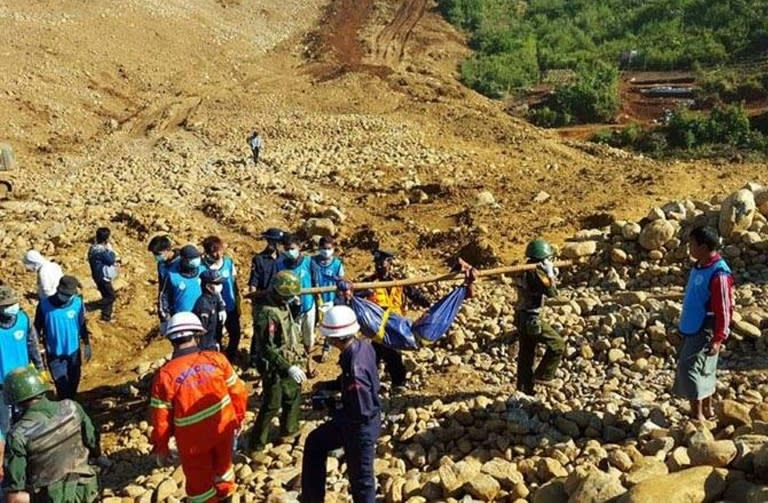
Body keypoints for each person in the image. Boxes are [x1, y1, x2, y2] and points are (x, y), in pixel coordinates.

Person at [150, 312, 247, 503]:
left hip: (192, 442)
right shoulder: (217, 360)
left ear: (171, 339)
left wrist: (161, 448)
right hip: (223, 430)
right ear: (198, 335)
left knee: (199, 484)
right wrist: (238, 418)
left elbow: (161, 420)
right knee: (224, 470)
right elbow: (239, 392)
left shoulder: (165, 376)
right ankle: (226, 496)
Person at [302, 305, 380, 503]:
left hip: (359, 427)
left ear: (334, 337)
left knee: (362, 482)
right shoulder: (363, 347)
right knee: (315, 442)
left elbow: (360, 412)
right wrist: (329, 385)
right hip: (359, 419)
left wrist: (332, 407)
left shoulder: (355, 369)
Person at [3, 366, 100, 503]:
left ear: (15, 401)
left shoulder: (18, 435)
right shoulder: (72, 407)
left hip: (50, 498)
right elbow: (92, 442)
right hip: (85, 489)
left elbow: (15, 486)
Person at [673, 226, 734, 421]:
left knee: (689, 367)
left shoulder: (719, 274)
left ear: (704, 246)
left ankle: (697, 413)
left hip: (706, 326)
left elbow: (724, 309)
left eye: (692, 244)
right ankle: (707, 410)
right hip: (692, 324)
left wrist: (718, 338)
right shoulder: (699, 265)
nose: (689, 248)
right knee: (703, 367)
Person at [249, 271, 307, 453]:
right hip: (275, 365)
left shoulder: (282, 305)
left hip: (290, 358)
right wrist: (288, 367)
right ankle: (256, 444)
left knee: (293, 395)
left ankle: (288, 430)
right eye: (289, 296)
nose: (292, 299)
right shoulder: (267, 314)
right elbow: (267, 347)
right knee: (272, 404)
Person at [361, 250, 429, 391]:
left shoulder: (398, 282)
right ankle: (387, 382)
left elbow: (414, 294)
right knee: (381, 353)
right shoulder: (369, 283)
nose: (379, 266)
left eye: (382, 263)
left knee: (386, 354)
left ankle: (394, 382)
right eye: (377, 263)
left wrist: (427, 304)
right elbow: (356, 296)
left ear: (390, 264)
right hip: (378, 327)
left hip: (396, 326)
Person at [515, 239, 564, 395]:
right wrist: (550, 274)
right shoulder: (536, 272)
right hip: (531, 318)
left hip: (521, 316)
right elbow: (552, 293)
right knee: (557, 344)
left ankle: (524, 390)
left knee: (526, 355)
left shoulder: (526, 269)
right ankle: (543, 375)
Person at [33, 276, 91, 399]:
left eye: (69, 295)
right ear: (58, 290)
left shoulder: (77, 303)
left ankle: (72, 403)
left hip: (73, 351)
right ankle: (66, 407)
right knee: (62, 386)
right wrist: (35, 350)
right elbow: (36, 329)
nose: (66, 297)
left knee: (74, 381)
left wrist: (86, 343)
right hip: (54, 353)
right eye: (64, 294)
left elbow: (81, 324)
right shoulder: (44, 306)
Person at [0, 286, 44, 435]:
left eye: (12, 304)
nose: (11, 308)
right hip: (2, 384)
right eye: (6, 306)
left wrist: (40, 368)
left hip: (24, 381)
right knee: (5, 424)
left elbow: (33, 345)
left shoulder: (23, 320)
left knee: (27, 420)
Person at [276, 234, 315, 375]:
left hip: (308, 305)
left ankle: (309, 363)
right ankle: (297, 365)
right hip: (290, 307)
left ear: (299, 248)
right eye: (287, 249)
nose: (289, 251)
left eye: (292, 248)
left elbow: (315, 281)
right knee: (293, 337)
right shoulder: (279, 264)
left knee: (309, 336)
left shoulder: (308, 262)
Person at [202, 236, 241, 361]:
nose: (217, 254)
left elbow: (234, 284)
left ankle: (230, 356)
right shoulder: (203, 268)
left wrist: (237, 303)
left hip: (229, 305)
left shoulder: (228, 262)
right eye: (213, 251)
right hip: (213, 308)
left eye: (218, 250)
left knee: (235, 333)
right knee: (215, 335)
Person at [310, 237, 345, 362]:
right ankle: (308, 349)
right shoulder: (312, 261)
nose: (326, 251)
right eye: (323, 248)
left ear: (333, 249)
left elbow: (341, 281)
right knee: (313, 323)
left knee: (330, 323)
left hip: (331, 298)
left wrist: (336, 301)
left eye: (329, 249)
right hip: (314, 297)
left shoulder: (337, 264)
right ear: (319, 248)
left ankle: (326, 349)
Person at [158, 244, 204, 322]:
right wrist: (165, 317)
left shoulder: (203, 270)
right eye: (192, 259)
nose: (196, 261)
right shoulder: (171, 275)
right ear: (183, 259)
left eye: (196, 257)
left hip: (202, 316)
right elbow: (164, 296)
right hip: (181, 318)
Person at [87, 227, 118, 322]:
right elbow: (111, 260)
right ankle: (89, 307)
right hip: (102, 276)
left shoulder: (93, 248)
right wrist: (111, 251)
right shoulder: (101, 251)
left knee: (107, 295)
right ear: (106, 239)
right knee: (111, 297)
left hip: (97, 275)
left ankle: (106, 317)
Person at [193, 270, 227, 351]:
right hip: (206, 347)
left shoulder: (213, 297)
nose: (220, 285)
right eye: (217, 284)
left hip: (214, 341)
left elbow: (219, 300)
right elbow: (200, 332)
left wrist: (222, 309)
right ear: (208, 286)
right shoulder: (203, 305)